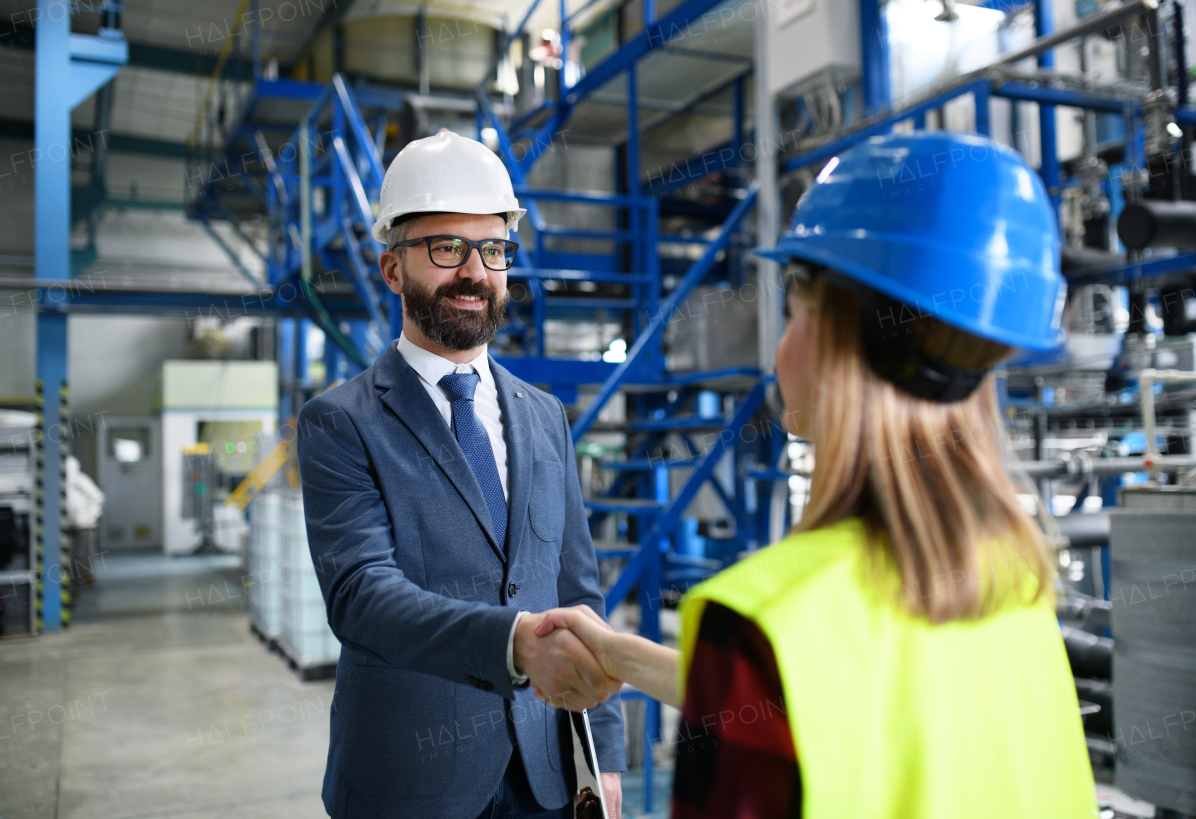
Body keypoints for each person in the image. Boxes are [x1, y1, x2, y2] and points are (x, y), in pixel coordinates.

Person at [535, 132, 1097, 817]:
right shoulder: (1013, 581)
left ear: (836, 337)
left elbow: (795, 689)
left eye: (796, 309)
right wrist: (624, 657)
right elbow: (836, 705)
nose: (783, 341)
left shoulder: (759, 622)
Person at [296, 129, 624, 819]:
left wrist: (605, 753)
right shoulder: (340, 421)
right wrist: (511, 645)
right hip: (409, 783)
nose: (475, 271)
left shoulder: (545, 417)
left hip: (544, 779)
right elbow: (361, 595)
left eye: (494, 249)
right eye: (447, 247)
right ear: (392, 269)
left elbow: (577, 590)